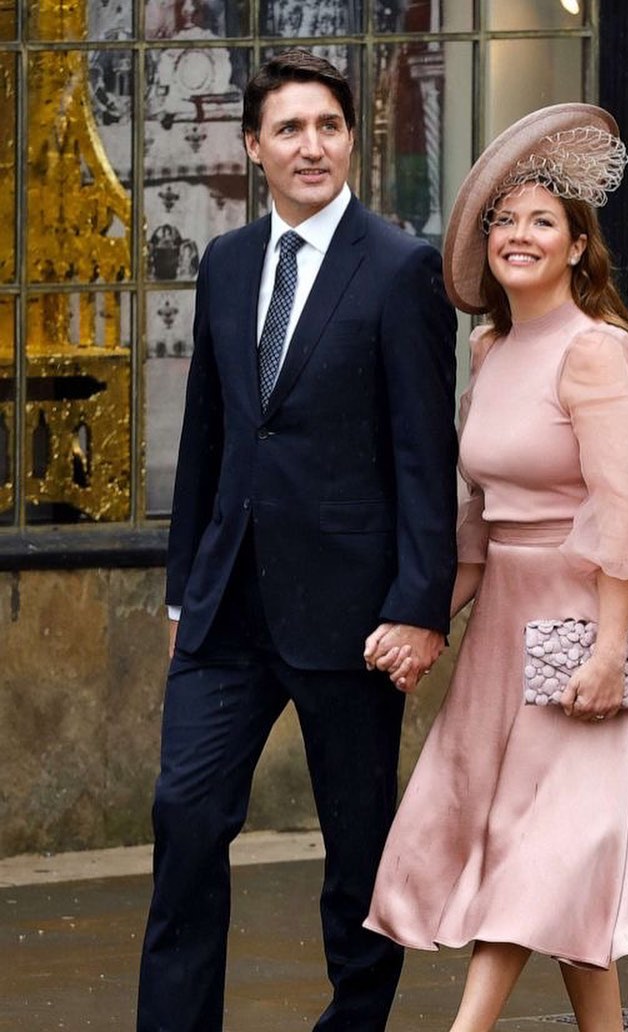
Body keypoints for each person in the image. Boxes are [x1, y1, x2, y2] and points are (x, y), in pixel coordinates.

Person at [136, 49, 458, 1032]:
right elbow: (209, 435)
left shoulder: (401, 267)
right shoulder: (228, 264)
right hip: (227, 603)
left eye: (327, 126)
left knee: (357, 853)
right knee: (185, 821)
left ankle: (351, 1024)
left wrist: (417, 603)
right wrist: (183, 588)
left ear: (351, 139)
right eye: (288, 129)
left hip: (351, 612)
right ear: (252, 147)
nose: (310, 146)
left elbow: (422, 453)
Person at [365, 103, 628, 1032]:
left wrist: (605, 649)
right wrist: (426, 615)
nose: (519, 236)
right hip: (506, 624)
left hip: (584, 623)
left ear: (580, 248)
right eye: (506, 221)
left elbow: (621, 512)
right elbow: (479, 517)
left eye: (544, 222)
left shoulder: (596, 351)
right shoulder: (492, 347)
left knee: (536, 848)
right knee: (546, 858)